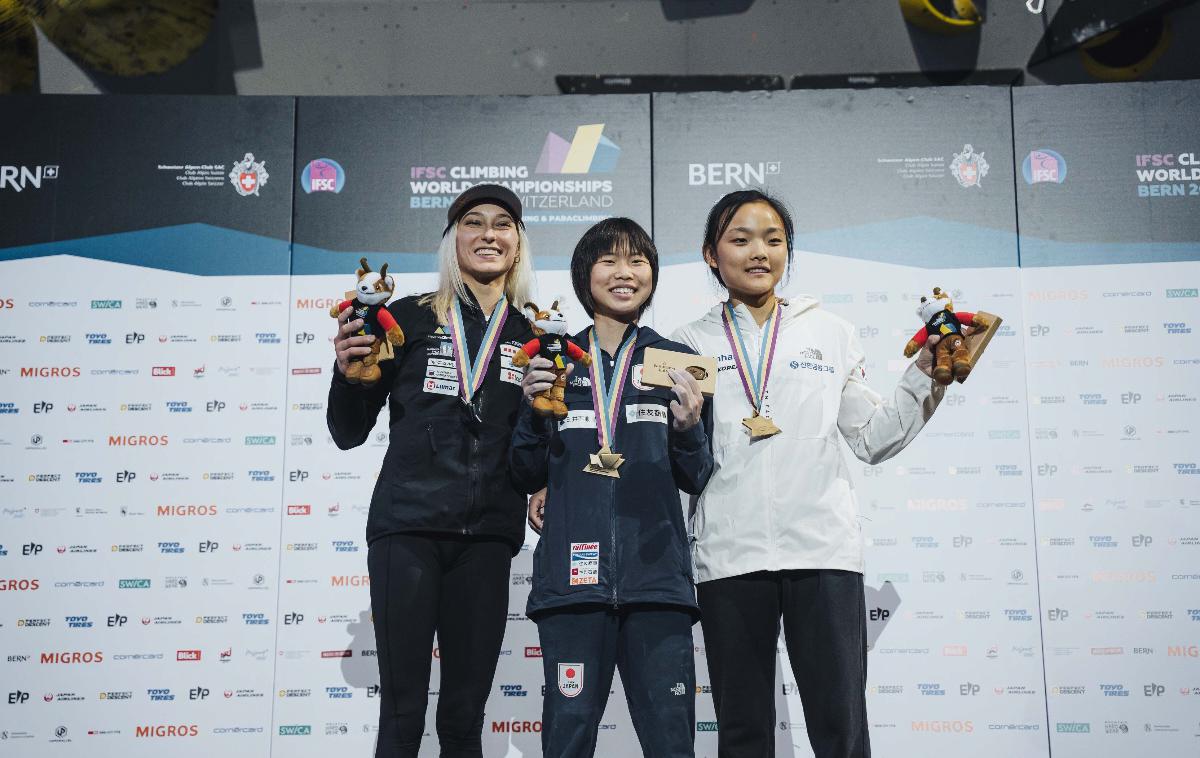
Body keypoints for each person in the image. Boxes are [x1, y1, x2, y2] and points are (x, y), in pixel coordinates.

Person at [670, 190, 957, 758]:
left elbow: (873, 439)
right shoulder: (687, 344)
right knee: (744, 731)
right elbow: (687, 461)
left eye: (774, 241)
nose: (760, 253)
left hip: (823, 552)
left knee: (840, 728)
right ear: (710, 254)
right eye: (741, 239)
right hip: (730, 556)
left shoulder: (830, 332)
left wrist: (928, 373)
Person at [327, 184, 543, 758]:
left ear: (519, 244)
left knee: (465, 718)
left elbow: (535, 441)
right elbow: (347, 433)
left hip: (487, 539)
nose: (489, 234)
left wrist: (543, 478)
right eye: (473, 222)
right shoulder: (404, 319)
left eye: (503, 224)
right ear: (452, 240)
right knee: (402, 714)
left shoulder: (532, 338)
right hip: (409, 529)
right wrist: (347, 374)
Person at [510, 217, 713, 758]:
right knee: (566, 742)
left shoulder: (676, 363)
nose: (625, 273)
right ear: (584, 276)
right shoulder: (550, 358)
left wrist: (690, 431)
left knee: (673, 745)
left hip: (658, 586)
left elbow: (696, 477)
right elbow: (523, 473)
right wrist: (532, 413)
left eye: (638, 261)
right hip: (572, 588)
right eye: (609, 261)